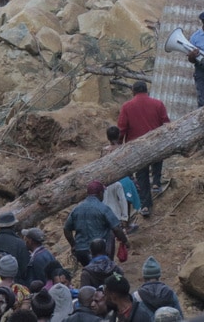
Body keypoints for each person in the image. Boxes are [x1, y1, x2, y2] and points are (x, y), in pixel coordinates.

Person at [117, 83, 169, 218]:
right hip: (156, 142)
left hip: (137, 146)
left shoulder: (127, 106)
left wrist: (118, 145)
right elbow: (166, 123)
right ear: (147, 91)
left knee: (142, 175)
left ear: (133, 91)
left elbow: (122, 128)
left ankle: (145, 205)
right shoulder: (158, 104)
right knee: (158, 158)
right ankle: (156, 182)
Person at [62, 183, 126, 268]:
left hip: (81, 251)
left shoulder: (76, 209)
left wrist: (73, 245)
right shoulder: (103, 208)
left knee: (91, 273)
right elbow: (116, 229)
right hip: (99, 252)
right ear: (100, 193)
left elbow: (66, 229)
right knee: (110, 232)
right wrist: (125, 241)